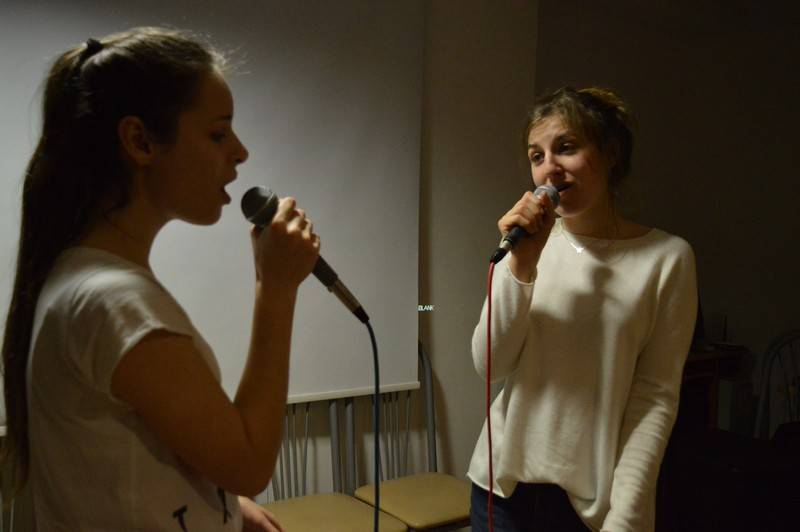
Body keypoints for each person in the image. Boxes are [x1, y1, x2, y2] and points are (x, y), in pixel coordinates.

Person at [0, 27, 320, 531]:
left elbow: (122, 463)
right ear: (140, 141)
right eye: (218, 134)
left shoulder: (82, 277)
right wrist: (276, 287)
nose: (240, 152)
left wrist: (226, 507)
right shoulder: (112, 302)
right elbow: (250, 464)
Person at [468, 87, 697, 532]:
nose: (548, 168)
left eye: (567, 147)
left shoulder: (668, 259)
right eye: (536, 156)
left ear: (610, 153)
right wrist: (521, 265)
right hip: (501, 493)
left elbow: (654, 400)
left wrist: (626, 518)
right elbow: (489, 365)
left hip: (591, 508)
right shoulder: (526, 245)